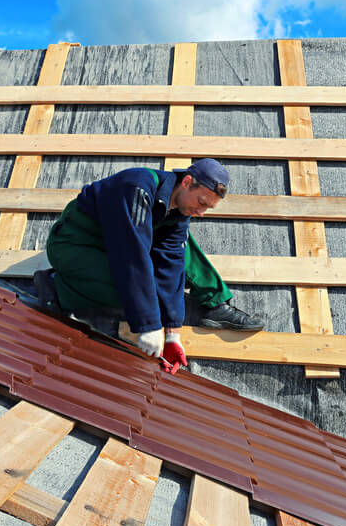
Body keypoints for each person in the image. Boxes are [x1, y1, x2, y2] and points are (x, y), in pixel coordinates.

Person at [33, 158, 263, 373]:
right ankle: (55, 286)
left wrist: (172, 333)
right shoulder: (137, 188)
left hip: (112, 246)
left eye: (207, 208)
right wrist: (149, 325)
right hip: (75, 246)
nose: (201, 212)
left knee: (180, 246)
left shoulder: (179, 207)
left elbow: (171, 264)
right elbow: (131, 258)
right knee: (132, 292)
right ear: (187, 182)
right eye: (201, 202)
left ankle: (211, 303)